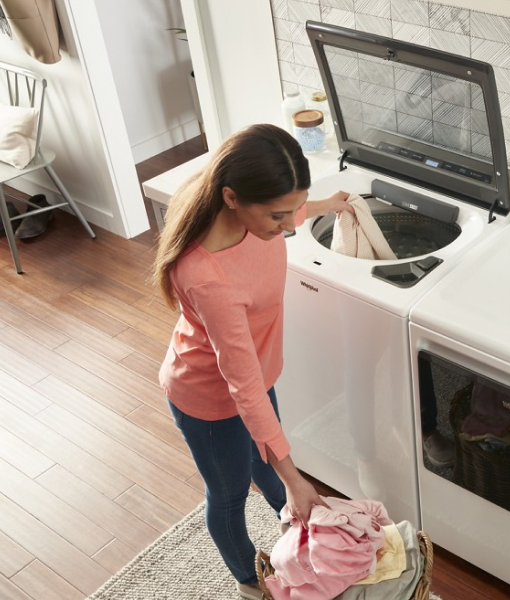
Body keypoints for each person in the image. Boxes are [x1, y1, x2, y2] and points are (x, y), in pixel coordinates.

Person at [152, 123, 353, 600]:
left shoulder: (252, 212)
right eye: (279, 216)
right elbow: (240, 386)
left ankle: (304, 535)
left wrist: (327, 204)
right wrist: (297, 475)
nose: (290, 227)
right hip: (207, 398)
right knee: (230, 492)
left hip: (255, 378)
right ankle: (249, 580)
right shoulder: (209, 276)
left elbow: (291, 208)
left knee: (271, 464)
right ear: (232, 198)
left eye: (293, 209)